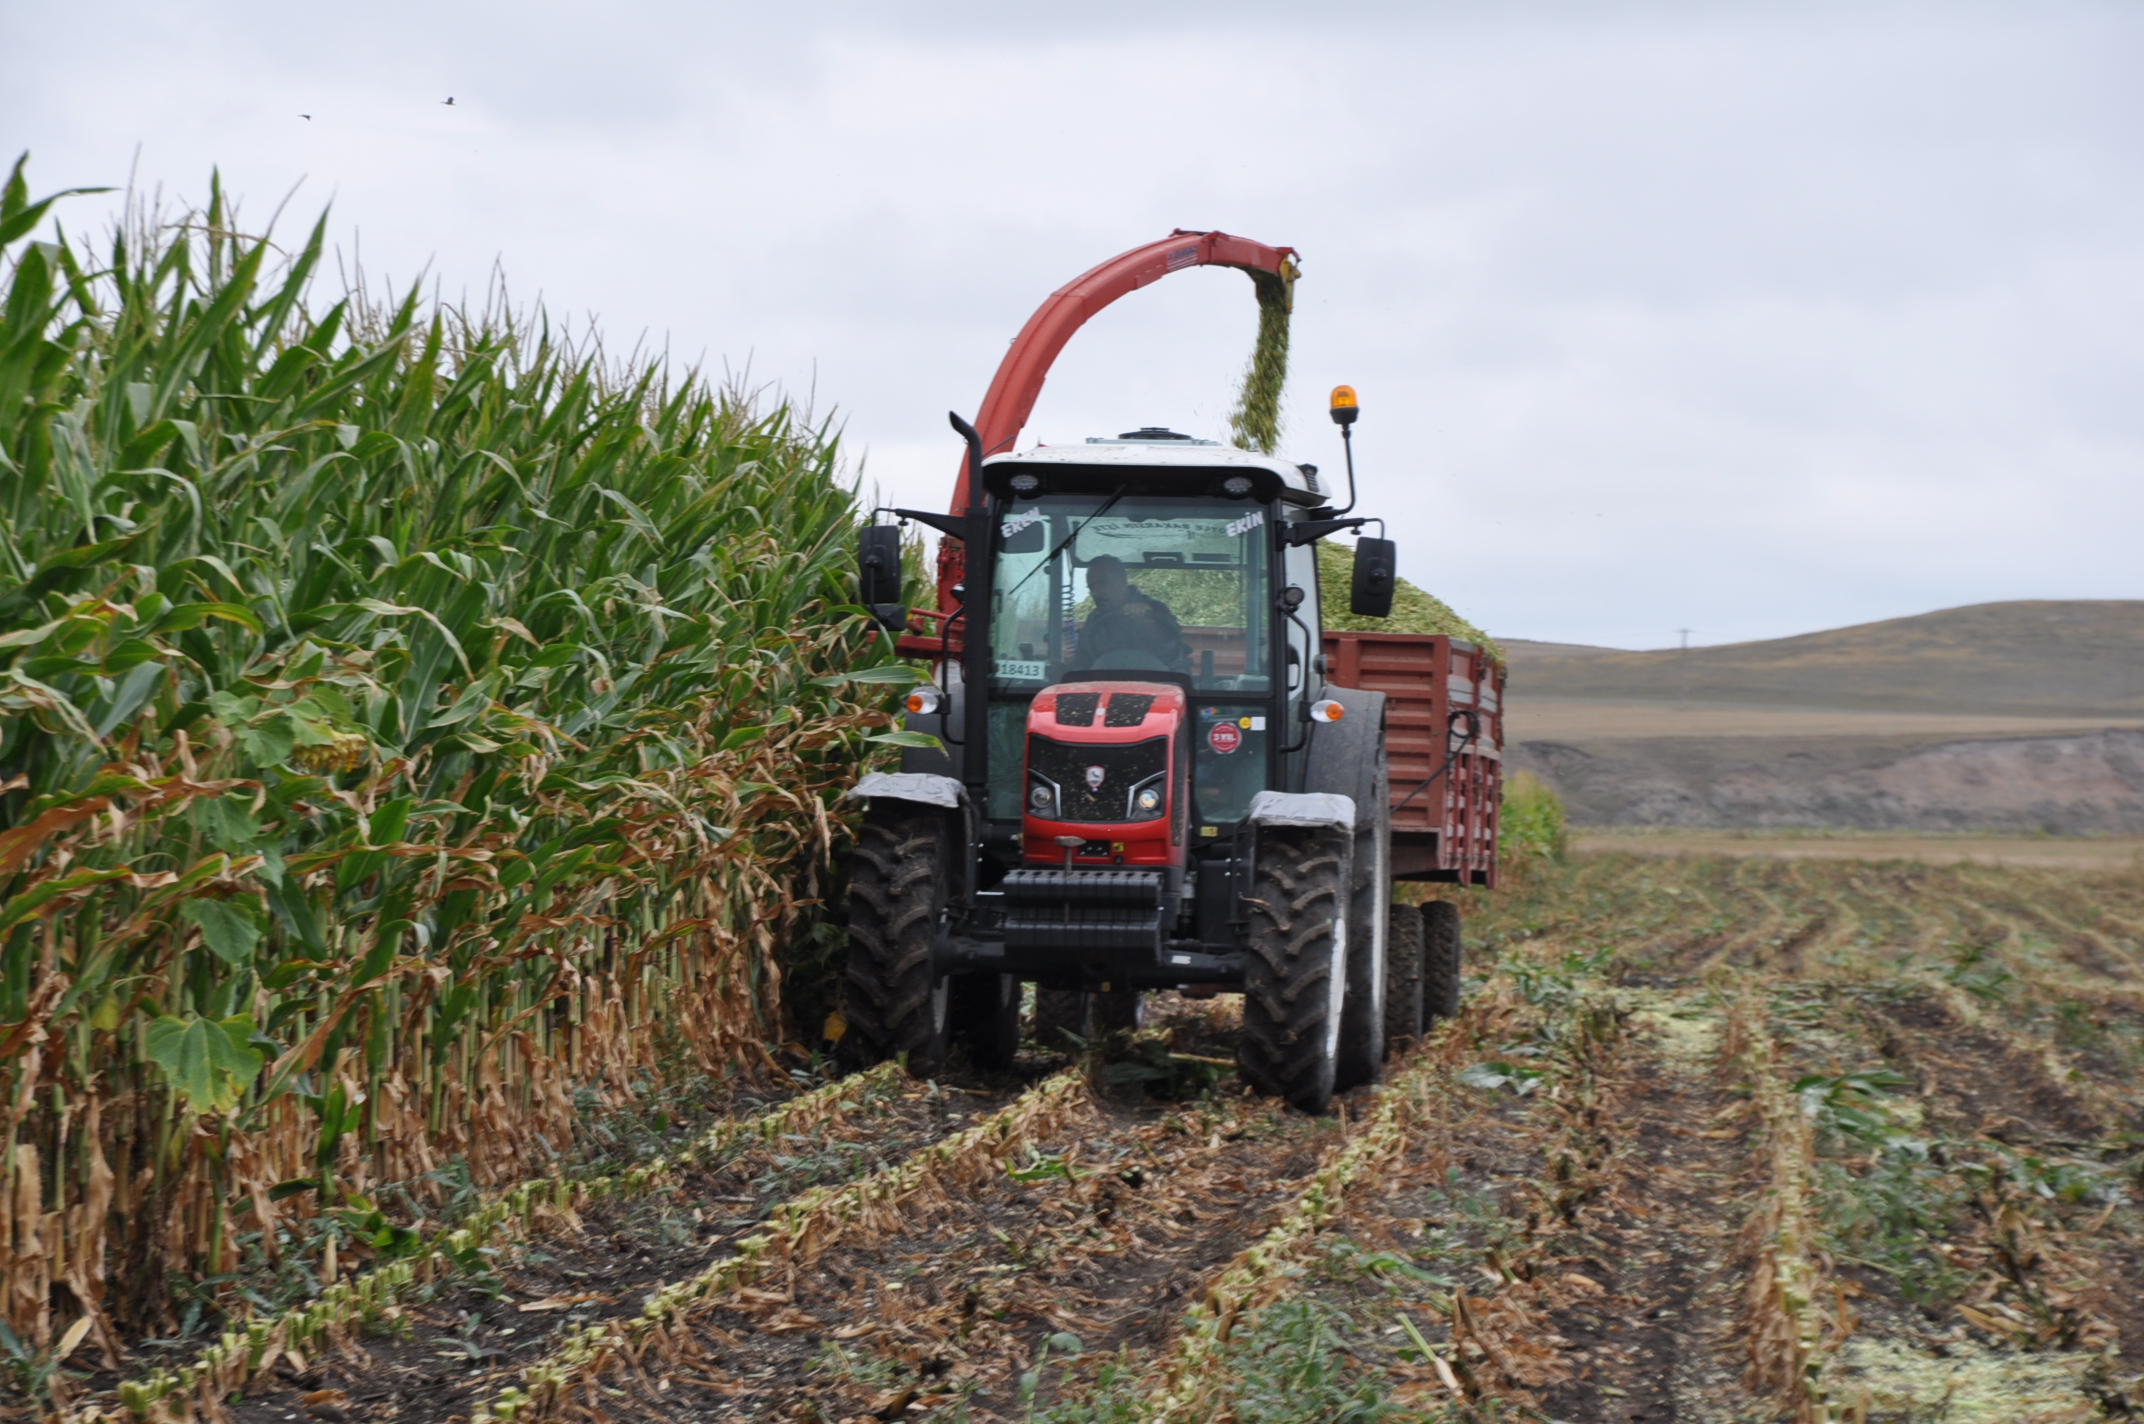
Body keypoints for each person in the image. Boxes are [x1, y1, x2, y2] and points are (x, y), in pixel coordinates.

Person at [1071, 554, 1189, 671]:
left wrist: (1148, 624)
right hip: (1107, 685)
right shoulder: (1094, 620)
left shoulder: (1156, 610)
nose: (1096, 593)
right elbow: (1082, 663)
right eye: (1091, 587)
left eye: (1102, 583)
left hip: (1157, 683)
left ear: (1123, 582)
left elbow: (1174, 652)